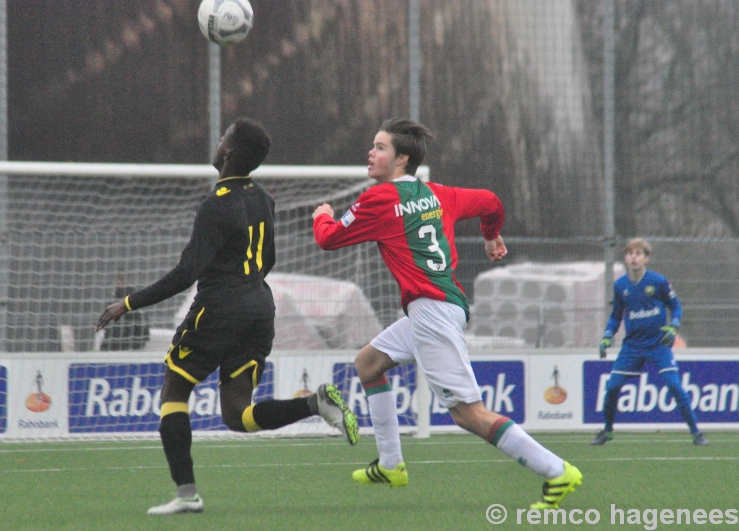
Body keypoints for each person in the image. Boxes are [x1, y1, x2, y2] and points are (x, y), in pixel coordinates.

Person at [311, 118, 582, 509]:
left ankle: (557, 471)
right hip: (442, 305)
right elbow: (491, 202)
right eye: (373, 145)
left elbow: (328, 239)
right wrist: (491, 236)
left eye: (381, 147)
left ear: (402, 158)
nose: (371, 153)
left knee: (468, 414)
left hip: (432, 314)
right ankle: (391, 465)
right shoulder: (439, 194)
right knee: (368, 363)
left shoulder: (379, 200)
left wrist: (322, 214)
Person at [96, 118, 359, 516]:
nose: (217, 144)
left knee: (173, 392)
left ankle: (187, 494)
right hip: (259, 309)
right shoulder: (263, 197)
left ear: (228, 153)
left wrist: (128, 303)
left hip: (218, 310)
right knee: (237, 415)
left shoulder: (216, 206)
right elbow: (268, 259)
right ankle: (315, 404)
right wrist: (246, 288)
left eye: (222, 139)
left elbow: (187, 273)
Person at [592, 238, 708, 446]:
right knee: (612, 388)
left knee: (674, 386)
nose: (633, 257)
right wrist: (607, 336)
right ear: (626, 258)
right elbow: (616, 315)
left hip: (658, 345)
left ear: (646, 258)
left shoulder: (658, 281)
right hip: (632, 347)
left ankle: (696, 433)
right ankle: (607, 431)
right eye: (630, 253)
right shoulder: (620, 286)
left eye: (638, 254)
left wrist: (673, 327)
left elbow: (676, 306)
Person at [100, 272, 149, 350]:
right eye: (118, 279)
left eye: (122, 279)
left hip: (133, 341)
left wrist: (144, 338)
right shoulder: (112, 298)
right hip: (115, 342)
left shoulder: (135, 298)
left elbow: (142, 320)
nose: (120, 282)